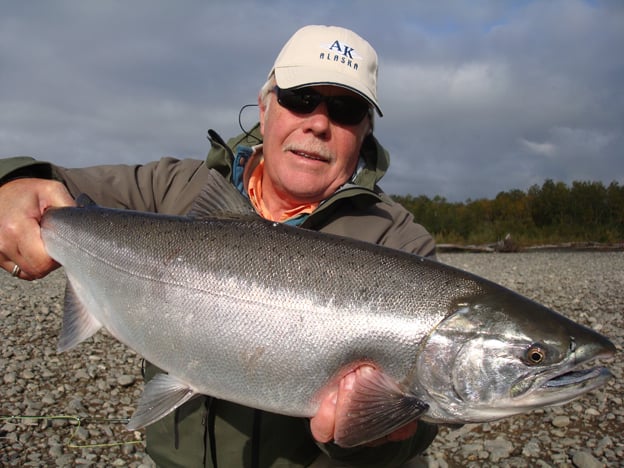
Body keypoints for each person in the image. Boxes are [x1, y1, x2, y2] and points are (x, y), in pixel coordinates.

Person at [0, 25, 438, 467]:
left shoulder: (400, 243)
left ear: (365, 131)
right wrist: (12, 184)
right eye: (300, 98)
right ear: (265, 109)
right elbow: (52, 184)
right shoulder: (173, 188)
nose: (319, 122)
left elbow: (422, 428)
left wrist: (378, 437)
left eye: (345, 109)